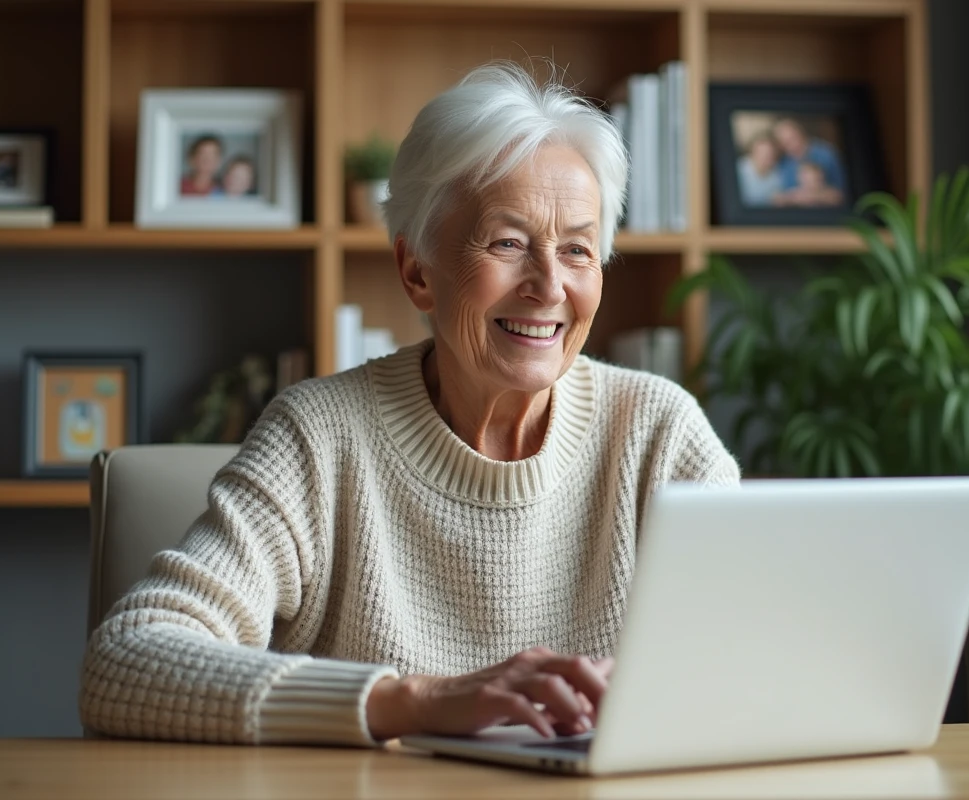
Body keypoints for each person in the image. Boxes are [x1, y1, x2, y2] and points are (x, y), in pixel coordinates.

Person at [79, 62, 740, 749]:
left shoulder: (658, 431)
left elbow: (779, 648)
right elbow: (124, 662)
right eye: (508, 243)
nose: (549, 286)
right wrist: (414, 702)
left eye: (576, 249)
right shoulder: (320, 438)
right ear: (417, 270)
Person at [772, 118, 846, 197]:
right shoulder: (784, 165)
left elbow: (842, 190)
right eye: (785, 143)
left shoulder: (826, 154)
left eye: (793, 138)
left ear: (801, 133)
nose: (792, 145)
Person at [735, 133, 784, 208]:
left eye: (769, 154)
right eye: (761, 153)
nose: (765, 157)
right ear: (753, 152)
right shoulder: (739, 169)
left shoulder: (777, 176)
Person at [774, 160, 844, 207]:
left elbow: (838, 197)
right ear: (800, 179)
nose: (811, 183)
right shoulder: (795, 193)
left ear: (821, 178)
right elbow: (777, 199)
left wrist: (812, 197)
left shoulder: (830, 193)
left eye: (814, 179)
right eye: (806, 179)